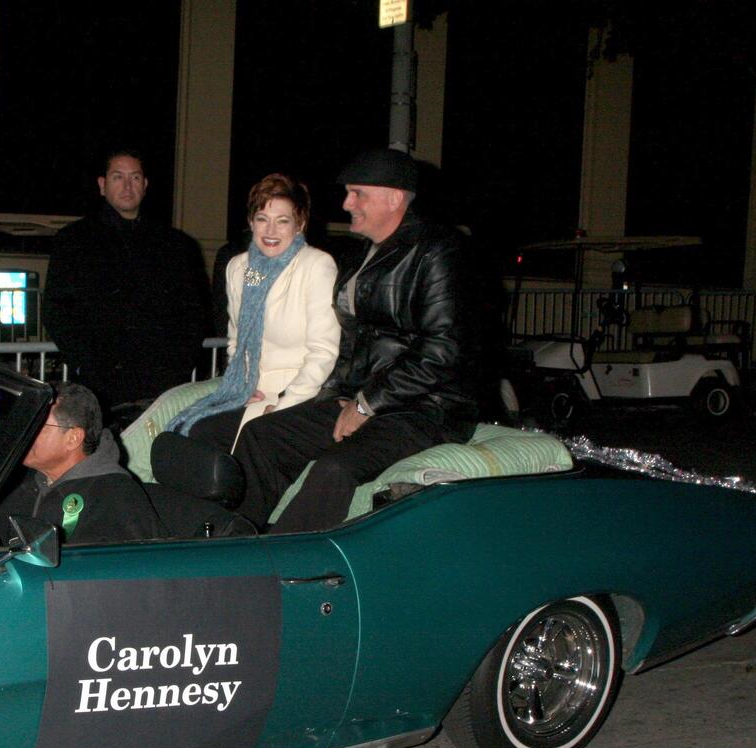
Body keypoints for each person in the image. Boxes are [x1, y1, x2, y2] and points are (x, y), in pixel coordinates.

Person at [232, 149, 478, 534]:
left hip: (426, 408)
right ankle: (238, 542)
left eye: (357, 193)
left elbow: (442, 351)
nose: (346, 203)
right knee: (262, 435)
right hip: (366, 398)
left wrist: (366, 405)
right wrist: (334, 395)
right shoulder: (360, 254)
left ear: (393, 197)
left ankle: (288, 561)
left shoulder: (438, 250)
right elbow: (351, 340)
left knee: (336, 467)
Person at [165, 173, 339, 452]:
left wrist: (284, 405)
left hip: (298, 395)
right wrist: (243, 387)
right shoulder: (239, 268)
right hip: (249, 391)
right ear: (251, 222)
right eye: (262, 219)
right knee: (183, 429)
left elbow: (323, 353)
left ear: (300, 225)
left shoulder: (316, 265)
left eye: (282, 221)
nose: (270, 230)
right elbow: (236, 340)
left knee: (204, 437)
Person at [43, 149, 209, 413]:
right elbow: (57, 310)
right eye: (118, 177)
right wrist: (85, 364)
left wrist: (177, 368)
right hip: (98, 385)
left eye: (134, 177)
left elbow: (193, 313)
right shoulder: (74, 240)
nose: (127, 186)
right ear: (102, 185)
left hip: (161, 384)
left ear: (145, 185)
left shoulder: (176, 245)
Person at [0, 383, 162, 546]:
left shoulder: (115, 496)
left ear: (73, 438)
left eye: (38, 425)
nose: (25, 432)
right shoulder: (20, 483)